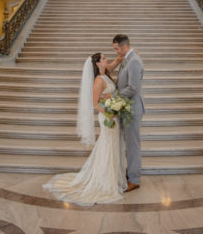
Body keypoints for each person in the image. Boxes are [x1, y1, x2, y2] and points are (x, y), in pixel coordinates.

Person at [42, 52, 127, 206]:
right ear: (97, 64)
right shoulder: (98, 81)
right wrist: (110, 112)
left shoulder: (106, 74)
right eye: (103, 58)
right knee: (107, 145)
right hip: (107, 117)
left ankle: (112, 177)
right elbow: (95, 103)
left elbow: (114, 64)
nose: (106, 59)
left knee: (113, 145)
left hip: (113, 115)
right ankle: (104, 179)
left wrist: (123, 56)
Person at [111, 34, 145, 193]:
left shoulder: (134, 61)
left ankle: (134, 179)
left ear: (124, 47)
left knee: (133, 145)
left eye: (117, 48)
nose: (116, 51)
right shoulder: (127, 58)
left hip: (133, 109)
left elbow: (133, 87)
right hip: (127, 108)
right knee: (129, 143)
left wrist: (115, 98)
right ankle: (130, 172)